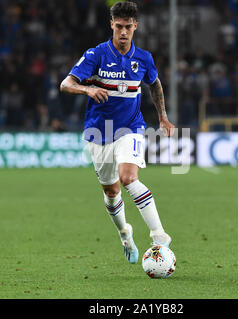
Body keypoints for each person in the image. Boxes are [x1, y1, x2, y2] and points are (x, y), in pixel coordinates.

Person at [59, 1, 174, 264]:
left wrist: (163, 117)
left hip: (129, 127)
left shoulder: (143, 58)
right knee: (111, 194)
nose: (123, 32)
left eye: (128, 27)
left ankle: (159, 236)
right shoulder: (96, 55)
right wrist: (87, 89)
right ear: (112, 24)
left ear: (136, 26)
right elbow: (66, 84)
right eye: (119, 26)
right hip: (98, 132)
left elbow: (154, 84)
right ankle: (125, 232)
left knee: (128, 177)